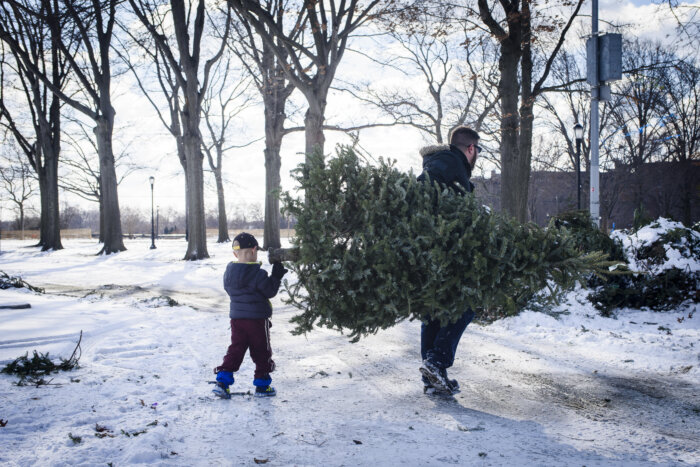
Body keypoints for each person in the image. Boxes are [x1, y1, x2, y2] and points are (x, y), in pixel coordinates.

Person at [416, 125, 481, 395]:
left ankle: (433, 375)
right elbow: (458, 220)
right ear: (470, 149)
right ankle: (437, 361)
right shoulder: (455, 170)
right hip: (446, 254)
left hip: (423, 253)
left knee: (434, 310)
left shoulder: (433, 167)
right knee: (468, 303)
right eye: (477, 150)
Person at [212, 232, 287, 399]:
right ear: (254, 250)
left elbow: (230, 290)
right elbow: (269, 291)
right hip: (257, 321)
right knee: (262, 351)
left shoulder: (229, 274)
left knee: (236, 349)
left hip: (237, 320)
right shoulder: (257, 274)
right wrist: (276, 276)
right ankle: (262, 385)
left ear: (235, 254)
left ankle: (223, 381)